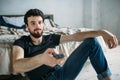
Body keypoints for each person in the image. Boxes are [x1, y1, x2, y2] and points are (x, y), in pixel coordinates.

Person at [12, 8, 118, 80]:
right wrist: (41, 59)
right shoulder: (21, 42)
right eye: (33, 23)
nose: (37, 26)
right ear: (27, 26)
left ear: (44, 24)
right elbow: (16, 66)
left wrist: (101, 32)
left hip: (62, 73)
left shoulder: (50, 38)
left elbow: (75, 36)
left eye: (40, 22)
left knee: (92, 41)